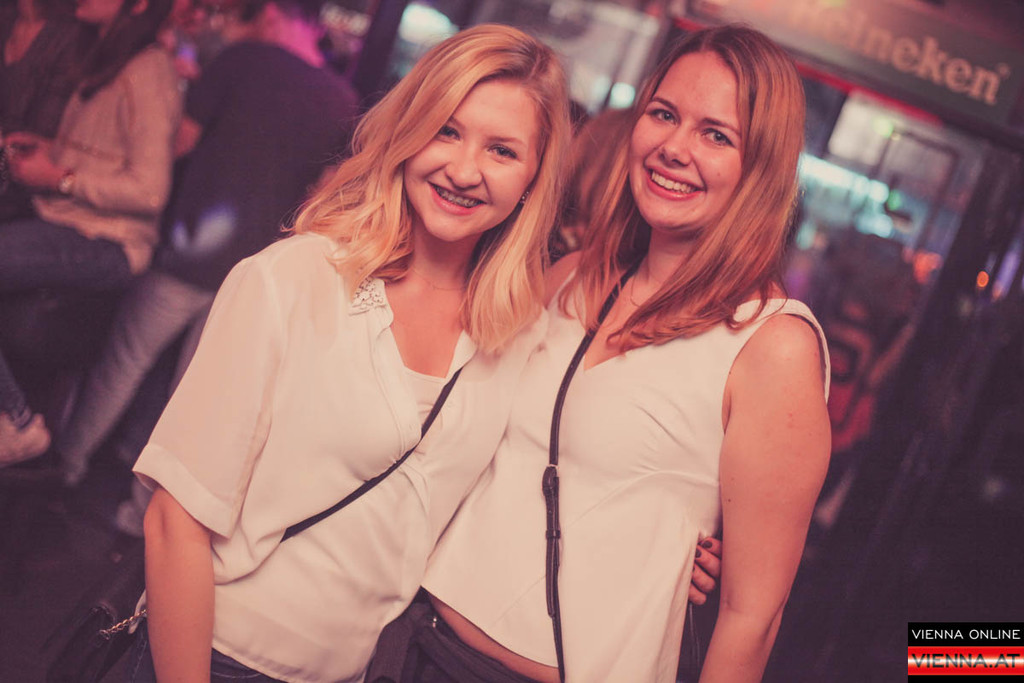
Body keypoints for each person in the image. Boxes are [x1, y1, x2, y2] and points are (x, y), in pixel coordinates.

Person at [129, 24, 572, 682]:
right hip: (219, 654)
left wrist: (691, 544)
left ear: (534, 176)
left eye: (501, 150)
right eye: (446, 131)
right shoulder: (296, 279)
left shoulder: (519, 336)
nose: (463, 170)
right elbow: (174, 521)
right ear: (409, 132)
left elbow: (564, 475)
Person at [411, 25, 832, 683]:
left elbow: (751, 615)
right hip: (420, 644)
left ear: (761, 168)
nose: (674, 148)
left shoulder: (773, 345)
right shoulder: (570, 277)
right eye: (663, 114)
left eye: (716, 135)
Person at [56, 0, 359, 515]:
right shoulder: (342, 99)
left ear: (274, 14)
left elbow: (179, 143)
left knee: (122, 364)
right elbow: (324, 196)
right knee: (193, 398)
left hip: (189, 250)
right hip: (258, 273)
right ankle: (143, 514)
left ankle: (65, 469)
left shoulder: (241, 60)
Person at [0, 0, 179, 465]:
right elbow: (101, 153)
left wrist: (60, 177)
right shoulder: (101, 51)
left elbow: (149, 190)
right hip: (64, 218)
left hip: (110, 240)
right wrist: (47, 150)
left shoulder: (148, 69)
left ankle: (17, 422)